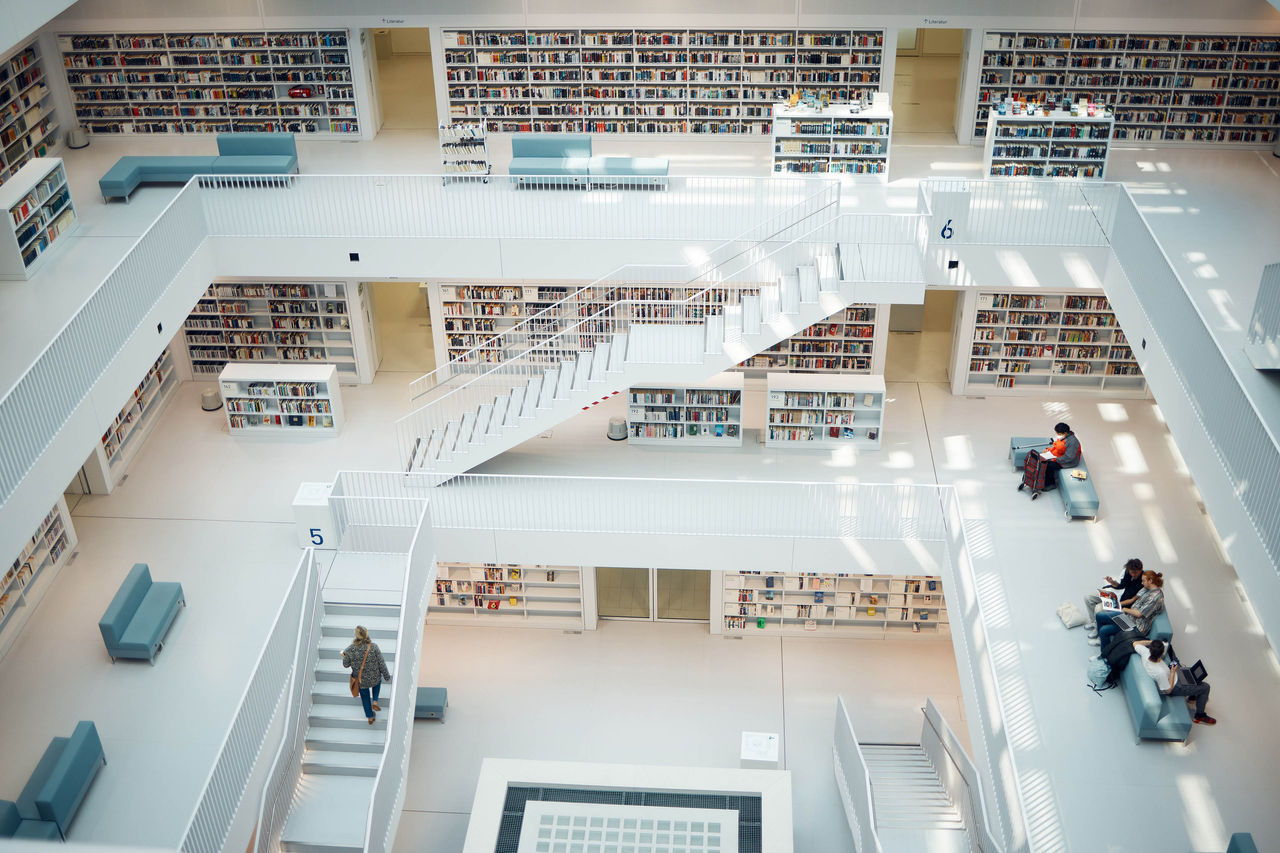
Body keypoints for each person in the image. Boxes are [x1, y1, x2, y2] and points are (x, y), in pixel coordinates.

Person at [1134, 639, 1216, 725]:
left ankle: (1193, 696)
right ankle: (1199, 715)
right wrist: (1173, 673)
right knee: (1205, 687)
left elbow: (1135, 643)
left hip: (1173, 674)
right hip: (1176, 686)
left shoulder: (1146, 652)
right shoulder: (1159, 672)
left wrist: (1153, 644)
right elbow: (1168, 690)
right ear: (1161, 654)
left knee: (1193, 675)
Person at [1093, 570, 1164, 648]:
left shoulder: (1155, 597)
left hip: (1135, 627)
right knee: (1103, 627)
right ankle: (1102, 645)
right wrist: (1117, 604)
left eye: (1143, 581)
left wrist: (1125, 609)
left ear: (1150, 581)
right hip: (1129, 618)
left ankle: (1104, 653)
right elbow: (1133, 599)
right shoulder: (1146, 588)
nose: (1142, 583)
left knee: (1101, 618)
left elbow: (1139, 614)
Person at [1083, 558, 1145, 641]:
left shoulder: (1143, 581)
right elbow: (1121, 586)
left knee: (1098, 609)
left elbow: (1132, 600)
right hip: (1113, 594)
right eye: (1131, 572)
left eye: (1135, 572)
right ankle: (1094, 623)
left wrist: (1117, 604)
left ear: (1141, 570)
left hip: (1120, 602)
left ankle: (1097, 630)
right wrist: (1112, 582)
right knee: (1088, 597)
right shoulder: (1127, 572)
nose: (1133, 574)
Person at [342, 625, 392, 725]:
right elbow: (381, 663)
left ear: (356, 635)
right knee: (377, 682)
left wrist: (344, 656)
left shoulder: (350, 650)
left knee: (365, 697)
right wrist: (387, 676)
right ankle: (375, 701)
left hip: (361, 680)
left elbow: (346, 665)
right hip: (375, 677)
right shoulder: (373, 647)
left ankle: (370, 717)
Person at [1037, 422, 1081, 490]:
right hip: (1059, 456)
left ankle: (1051, 484)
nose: (1058, 435)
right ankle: (1041, 476)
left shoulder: (1073, 442)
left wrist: (1055, 460)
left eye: (1059, 434)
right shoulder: (1063, 437)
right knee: (1042, 458)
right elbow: (1057, 446)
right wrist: (1048, 450)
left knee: (1049, 465)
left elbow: (1069, 457)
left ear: (1065, 432)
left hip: (1068, 462)